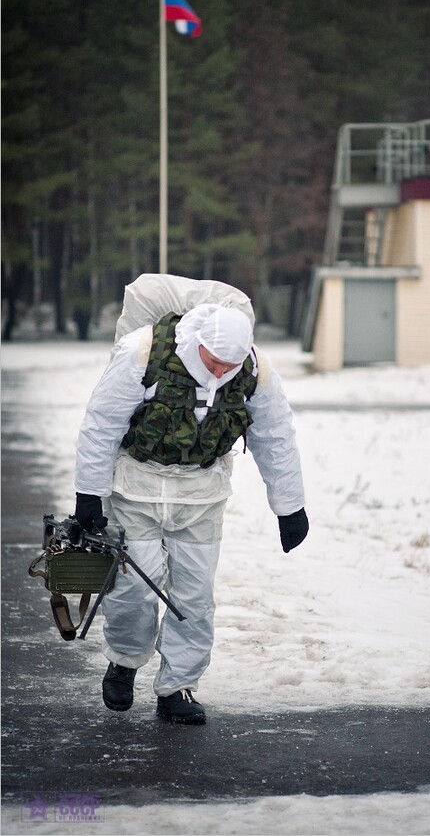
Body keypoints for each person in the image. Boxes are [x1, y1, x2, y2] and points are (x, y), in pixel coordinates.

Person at [73, 284, 308, 725]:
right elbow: (102, 423)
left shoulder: (253, 369)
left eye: (229, 364)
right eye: (214, 360)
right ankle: (124, 662)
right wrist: (89, 494)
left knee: (195, 597)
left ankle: (177, 686)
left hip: (202, 495)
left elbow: (275, 436)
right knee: (133, 590)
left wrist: (290, 507)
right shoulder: (142, 354)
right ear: (198, 342)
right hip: (136, 488)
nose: (220, 370)